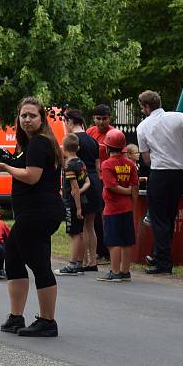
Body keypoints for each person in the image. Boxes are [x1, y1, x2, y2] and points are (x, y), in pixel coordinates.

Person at [0, 97, 63, 337]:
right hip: (35, 213)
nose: (27, 120)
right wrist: (9, 160)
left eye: (32, 115)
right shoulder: (30, 145)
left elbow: (32, 176)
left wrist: (6, 168)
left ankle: (47, 321)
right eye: (23, 116)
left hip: (39, 212)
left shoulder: (39, 143)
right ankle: (16, 317)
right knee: (13, 256)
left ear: (41, 118)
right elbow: (25, 168)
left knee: (38, 263)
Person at [136, 90, 183, 275]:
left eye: (142, 107)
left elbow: (146, 159)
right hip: (179, 174)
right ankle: (158, 255)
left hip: (160, 173)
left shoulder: (143, 127)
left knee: (158, 219)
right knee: (169, 216)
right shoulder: (178, 118)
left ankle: (163, 261)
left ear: (146, 107)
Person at [63, 109, 102, 272]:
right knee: (90, 224)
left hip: (78, 183)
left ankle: (80, 260)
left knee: (79, 225)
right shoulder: (93, 140)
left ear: (70, 122)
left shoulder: (72, 140)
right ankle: (92, 261)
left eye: (66, 122)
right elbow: (98, 165)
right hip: (93, 181)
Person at [98, 129, 138, 282]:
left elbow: (111, 186)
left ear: (108, 148)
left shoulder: (107, 164)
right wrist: (132, 202)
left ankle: (114, 272)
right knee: (126, 241)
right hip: (127, 208)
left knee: (113, 241)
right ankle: (125, 271)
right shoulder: (130, 164)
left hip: (112, 209)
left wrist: (126, 192)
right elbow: (134, 186)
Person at [57, 133, 90, 275]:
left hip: (73, 204)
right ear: (78, 148)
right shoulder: (81, 163)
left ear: (64, 148)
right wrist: (81, 192)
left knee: (74, 234)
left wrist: (77, 208)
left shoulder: (69, 166)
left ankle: (72, 264)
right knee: (80, 233)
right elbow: (87, 183)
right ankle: (79, 263)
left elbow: (74, 188)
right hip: (83, 200)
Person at [86, 103, 116, 261]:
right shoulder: (90, 132)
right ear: (93, 119)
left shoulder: (114, 134)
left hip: (108, 181)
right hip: (94, 181)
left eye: (104, 119)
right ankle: (99, 250)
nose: (101, 122)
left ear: (109, 118)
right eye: (98, 118)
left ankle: (108, 250)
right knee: (95, 217)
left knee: (107, 216)